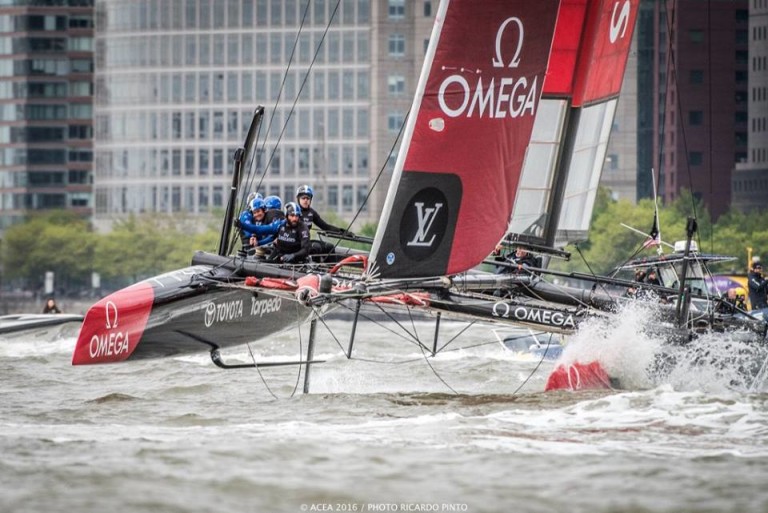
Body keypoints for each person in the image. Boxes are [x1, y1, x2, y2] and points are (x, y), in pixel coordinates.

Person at [296, 184, 354, 261]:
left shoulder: (312, 213)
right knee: (316, 247)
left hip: (306, 242)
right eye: (303, 198)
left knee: (329, 247)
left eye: (308, 198)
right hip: (296, 243)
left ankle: (331, 270)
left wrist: (342, 232)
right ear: (298, 199)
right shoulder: (293, 212)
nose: (306, 200)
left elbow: (325, 227)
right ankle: (313, 268)